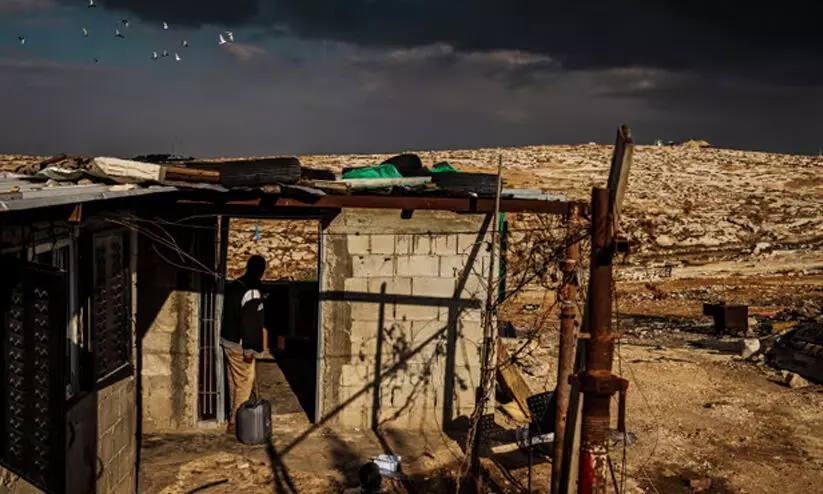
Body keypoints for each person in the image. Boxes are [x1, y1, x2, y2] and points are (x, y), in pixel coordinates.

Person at [221, 255, 267, 433]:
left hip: (228, 340)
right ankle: (236, 422)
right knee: (245, 383)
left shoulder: (235, 285)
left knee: (234, 381)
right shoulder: (252, 291)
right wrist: (249, 350)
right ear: (261, 271)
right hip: (241, 344)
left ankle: (233, 415)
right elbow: (251, 322)